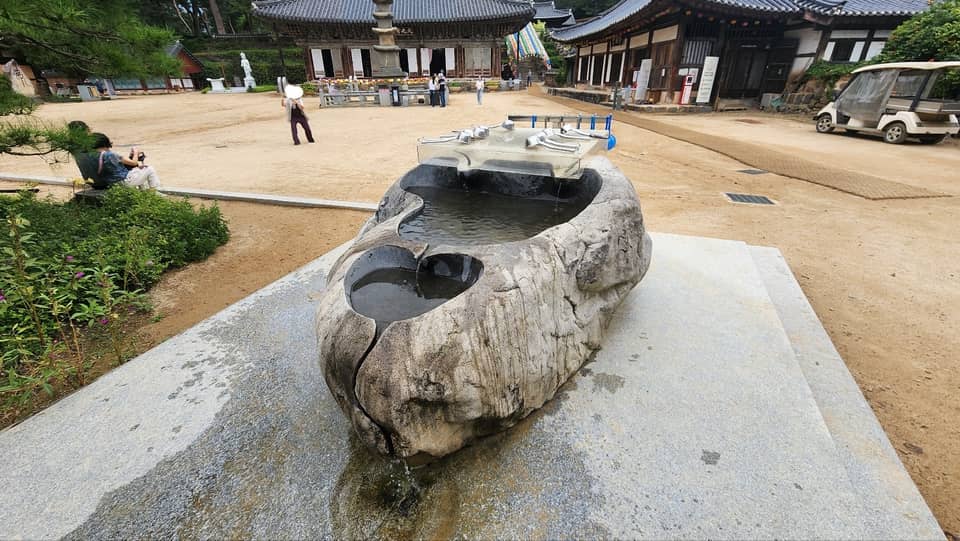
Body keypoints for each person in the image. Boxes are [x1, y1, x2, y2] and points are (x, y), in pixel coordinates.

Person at [88, 133, 160, 190]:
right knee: (150, 169)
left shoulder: (92, 155)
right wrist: (135, 152)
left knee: (138, 170)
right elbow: (134, 163)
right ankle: (153, 192)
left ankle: (143, 191)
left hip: (109, 183)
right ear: (105, 143)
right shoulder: (110, 154)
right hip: (123, 182)